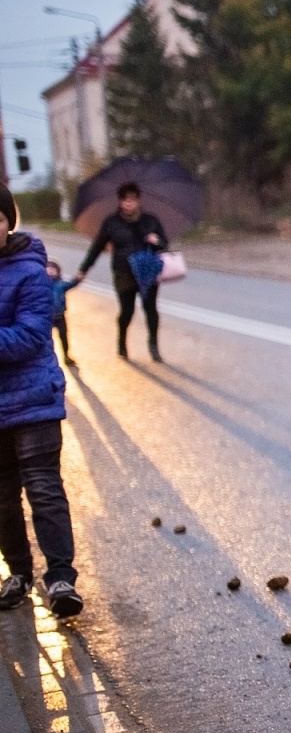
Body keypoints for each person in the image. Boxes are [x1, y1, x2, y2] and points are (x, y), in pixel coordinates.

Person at [0, 185, 82, 617]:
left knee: (44, 490)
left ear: (7, 221)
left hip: (32, 398)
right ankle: (18, 572)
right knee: (1, 498)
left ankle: (61, 578)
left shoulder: (30, 271)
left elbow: (32, 335)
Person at [77, 182, 167, 362]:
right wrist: (84, 269)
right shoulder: (111, 223)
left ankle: (153, 346)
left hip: (147, 272)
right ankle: (122, 341)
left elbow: (164, 244)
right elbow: (97, 247)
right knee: (127, 310)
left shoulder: (150, 220)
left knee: (151, 310)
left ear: (138, 201)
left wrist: (156, 240)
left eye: (133, 200)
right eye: (126, 200)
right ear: (120, 202)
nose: (129, 203)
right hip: (123, 272)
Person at [45, 260, 81, 369]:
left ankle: (66, 355)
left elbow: (71, 284)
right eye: (49, 269)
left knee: (64, 336)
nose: (51, 271)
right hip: (47, 317)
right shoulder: (42, 284)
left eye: (53, 269)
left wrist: (78, 279)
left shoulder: (61, 284)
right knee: (46, 339)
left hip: (60, 316)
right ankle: (47, 357)